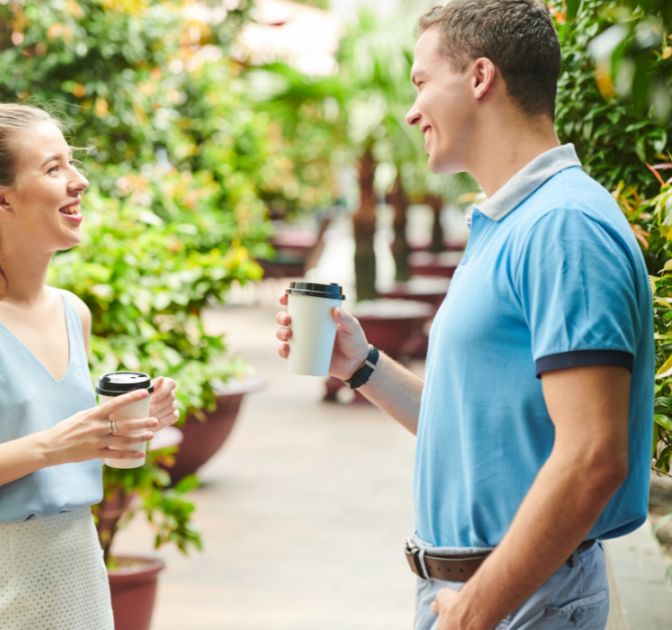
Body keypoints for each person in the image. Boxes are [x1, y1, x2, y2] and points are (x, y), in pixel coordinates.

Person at [275, 1, 653, 628]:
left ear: (480, 77)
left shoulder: (563, 227)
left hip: (518, 600)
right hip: (488, 594)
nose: (411, 109)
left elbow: (594, 454)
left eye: (422, 82)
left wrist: (474, 611)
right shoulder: (515, 222)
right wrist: (361, 365)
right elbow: (477, 433)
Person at [0, 103, 180, 629]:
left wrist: (126, 425)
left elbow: (63, 453)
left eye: (73, 163)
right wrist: (53, 446)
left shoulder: (73, 313)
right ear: (0, 198)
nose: (80, 181)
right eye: (53, 168)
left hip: (79, 573)